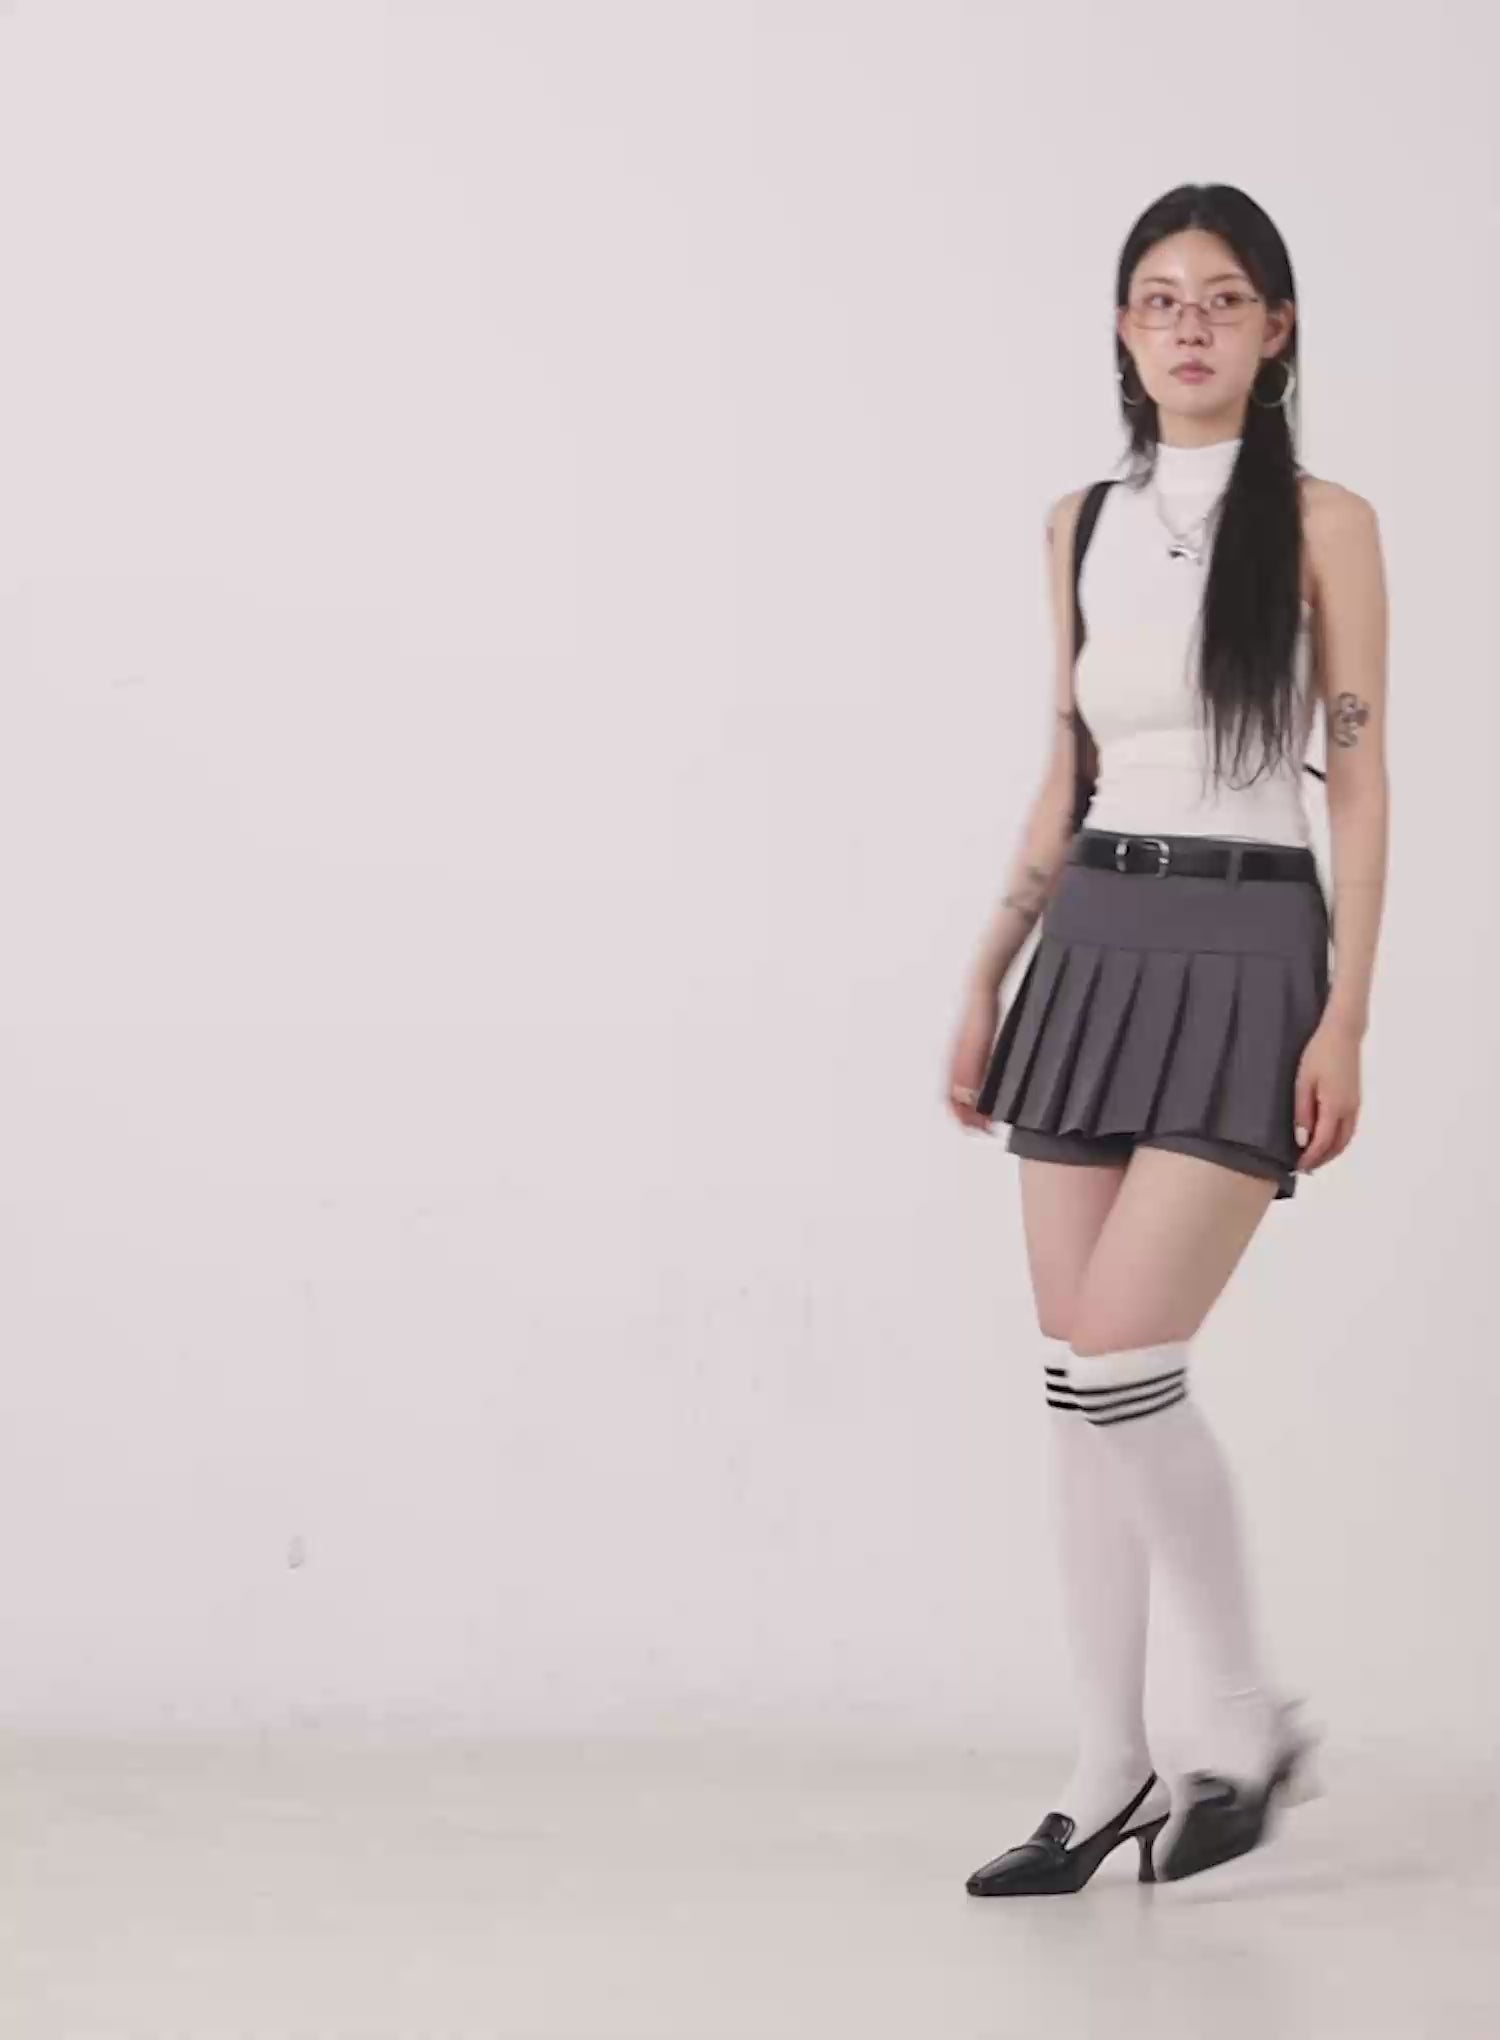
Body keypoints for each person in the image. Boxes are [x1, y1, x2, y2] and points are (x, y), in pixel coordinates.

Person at [945, 184, 1389, 1894]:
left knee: (1121, 1362)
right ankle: (1108, 1768)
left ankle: (1248, 1719)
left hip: (1249, 942)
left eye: (1222, 296)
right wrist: (988, 972)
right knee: (1078, 1383)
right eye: (1157, 297)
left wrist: (1348, 1010)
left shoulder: (1329, 523)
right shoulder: (1079, 524)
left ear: (1278, 329)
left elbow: (1362, 778)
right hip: (1093, 939)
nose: (1188, 323)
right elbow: (1066, 766)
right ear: (1124, 332)